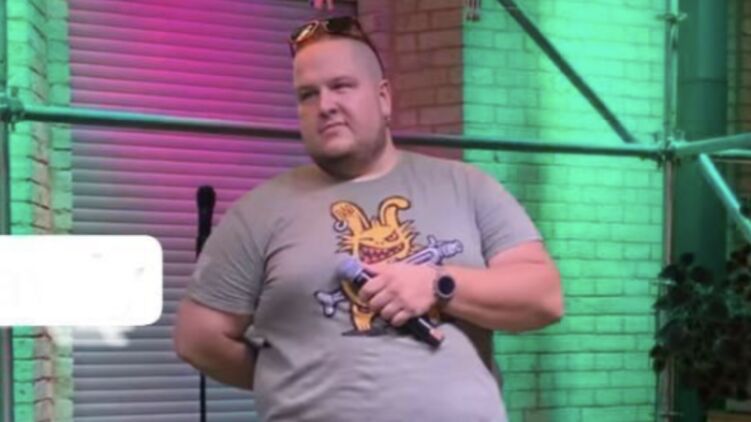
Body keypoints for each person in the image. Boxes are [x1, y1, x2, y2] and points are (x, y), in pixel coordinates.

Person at [173, 15, 563, 422]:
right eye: (308, 94)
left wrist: (438, 285)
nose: (325, 105)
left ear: (383, 98)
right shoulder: (258, 213)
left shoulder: (466, 186)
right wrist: (293, 379)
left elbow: (543, 297)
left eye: (341, 86)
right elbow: (199, 338)